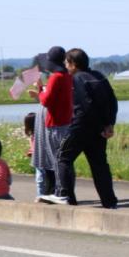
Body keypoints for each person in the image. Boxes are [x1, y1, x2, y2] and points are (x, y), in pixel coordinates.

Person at [43, 49, 119, 208]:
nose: (65, 65)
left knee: (62, 157)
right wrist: (108, 124)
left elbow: (86, 106)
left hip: (80, 127)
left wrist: (97, 125)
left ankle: (66, 196)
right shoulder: (99, 76)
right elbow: (113, 101)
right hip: (99, 131)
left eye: (66, 62)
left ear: (73, 64)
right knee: (99, 165)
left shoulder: (77, 78)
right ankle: (109, 202)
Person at [31, 46, 72, 203]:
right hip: (65, 122)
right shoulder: (67, 75)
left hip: (55, 123)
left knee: (57, 160)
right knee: (63, 159)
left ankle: (60, 193)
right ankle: (64, 193)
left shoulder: (56, 77)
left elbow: (46, 100)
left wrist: (40, 90)